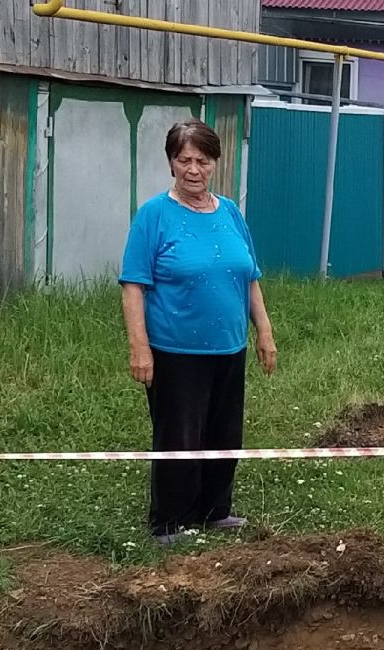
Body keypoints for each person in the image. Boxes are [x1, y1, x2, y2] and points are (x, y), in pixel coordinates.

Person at [120, 120, 277, 546]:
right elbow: (134, 284)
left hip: (229, 346)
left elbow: (249, 276)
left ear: (215, 163)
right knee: (179, 434)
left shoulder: (229, 212)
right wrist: (140, 349)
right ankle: (169, 522)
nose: (193, 169)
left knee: (224, 432)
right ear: (171, 163)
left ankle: (214, 511)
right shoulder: (154, 215)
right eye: (184, 160)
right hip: (175, 350)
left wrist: (264, 331)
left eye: (202, 160)